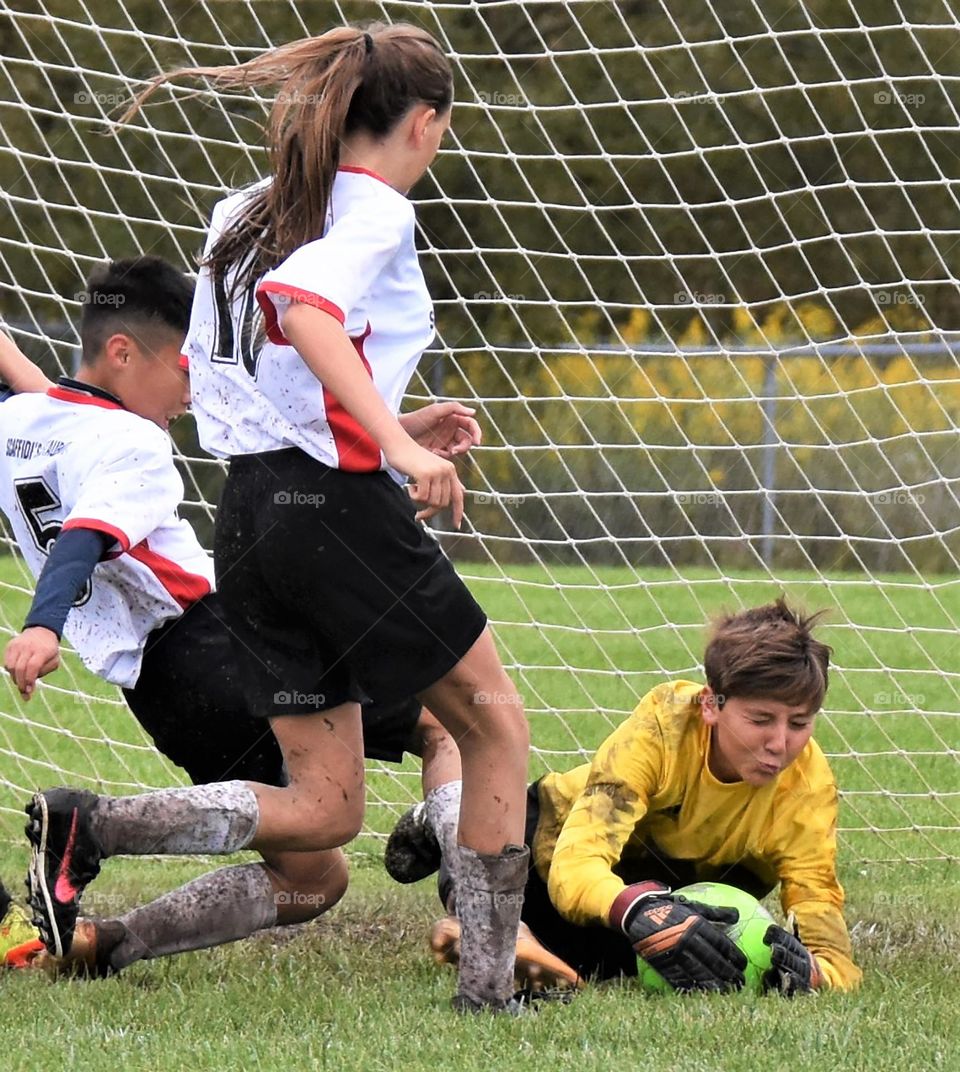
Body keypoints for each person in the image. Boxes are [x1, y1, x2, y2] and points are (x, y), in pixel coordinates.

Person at [106, 21, 531, 1013]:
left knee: (327, 804)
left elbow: (250, 383)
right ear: (424, 124)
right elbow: (303, 309)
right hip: (334, 510)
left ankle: (100, 825)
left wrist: (392, 418)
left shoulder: (244, 210)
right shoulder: (374, 213)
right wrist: (405, 447)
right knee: (493, 723)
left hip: (251, 512)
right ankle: (488, 988)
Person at [0, 262, 461, 978]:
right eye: (185, 371)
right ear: (122, 353)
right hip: (221, 637)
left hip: (166, 693)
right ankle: (476, 921)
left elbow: (48, 400)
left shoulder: (20, 421)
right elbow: (83, 535)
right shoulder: (135, 445)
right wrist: (41, 625)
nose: (191, 394)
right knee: (446, 722)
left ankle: (104, 945)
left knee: (314, 874)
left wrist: (391, 433)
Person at [395, 599, 863, 994]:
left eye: (799, 724)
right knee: (497, 851)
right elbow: (577, 867)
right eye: (761, 720)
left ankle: (513, 938)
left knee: (609, 971)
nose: (780, 744)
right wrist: (640, 908)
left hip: (666, 893)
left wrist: (817, 973)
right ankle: (457, 846)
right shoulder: (661, 729)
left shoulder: (807, 782)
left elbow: (820, 908)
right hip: (552, 850)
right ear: (710, 705)